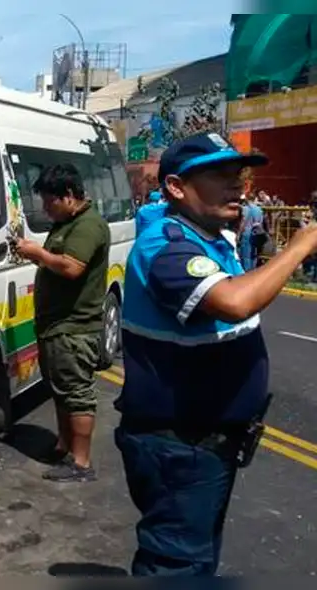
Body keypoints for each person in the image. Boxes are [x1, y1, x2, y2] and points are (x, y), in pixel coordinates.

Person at [114, 132, 317, 576]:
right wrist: (299, 247)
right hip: (180, 446)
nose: (237, 185)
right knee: (177, 567)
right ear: (175, 187)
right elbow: (234, 302)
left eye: (238, 175)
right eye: (218, 175)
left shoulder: (209, 236)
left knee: (196, 560)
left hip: (205, 442)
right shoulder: (165, 245)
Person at [13, 163, 109, 483]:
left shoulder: (88, 225)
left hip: (74, 328)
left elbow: (71, 268)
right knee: (61, 390)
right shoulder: (67, 222)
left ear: (68, 196)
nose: (45, 207)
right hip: (56, 327)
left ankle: (81, 463)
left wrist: (36, 253)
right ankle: (64, 446)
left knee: (77, 392)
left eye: (49, 200)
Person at [239, 192, 266, 270]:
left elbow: (243, 222)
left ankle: (246, 275)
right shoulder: (259, 209)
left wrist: (238, 235)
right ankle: (253, 273)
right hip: (257, 234)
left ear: (247, 199)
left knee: (246, 256)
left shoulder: (245, 209)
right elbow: (261, 222)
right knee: (254, 255)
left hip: (247, 234)